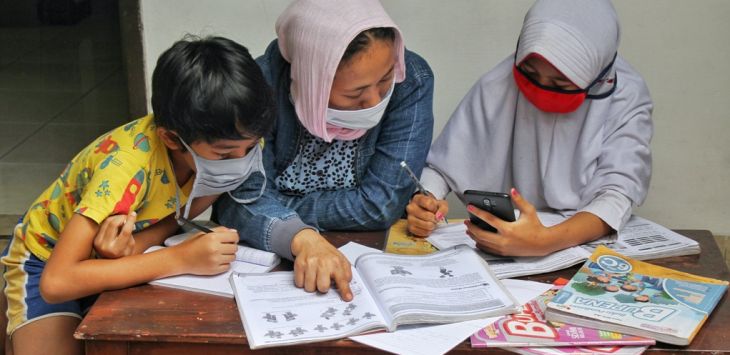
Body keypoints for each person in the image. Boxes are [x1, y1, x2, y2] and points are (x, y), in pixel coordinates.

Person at [0, 36, 275, 354]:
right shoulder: (125, 168)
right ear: (172, 138)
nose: (241, 161)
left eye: (250, 148)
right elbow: (57, 281)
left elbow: (176, 217)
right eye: (225, 155)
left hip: (116, 251)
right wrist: (178, 259)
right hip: (44, 259)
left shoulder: (237, 141)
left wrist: (131, 252)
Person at [214, 0, 434, 300]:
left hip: (370, 259)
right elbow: (239, 199)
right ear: (310, 77)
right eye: (354, 93)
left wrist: (279, 207)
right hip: (275, 262)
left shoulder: (410, 79)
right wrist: (299, 235)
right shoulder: (258, 87)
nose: (374, 102)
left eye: (384, 81)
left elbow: (381, 205)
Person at [406, 0, 653, 257]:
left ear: (596, 75)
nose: (541, 89)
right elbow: (443, 167)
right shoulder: (498, 84)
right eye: (530, 74)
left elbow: (618, 193)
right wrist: (425, 202)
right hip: (502, 241)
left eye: (561, 83)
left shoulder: (625, 95)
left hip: (581, 240)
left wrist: (546, 241)